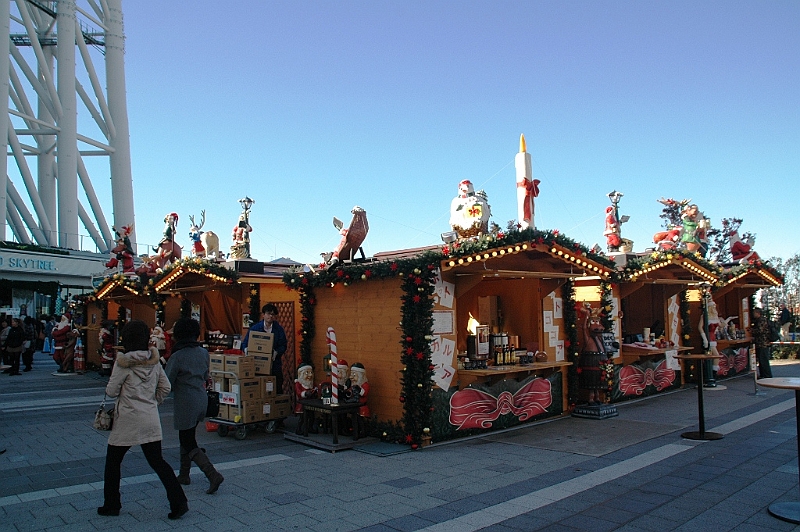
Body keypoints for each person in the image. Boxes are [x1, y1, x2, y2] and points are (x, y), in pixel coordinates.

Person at [98, 320, 188, 519]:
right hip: (149, 417)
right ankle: (179, 501)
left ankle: (112, 504)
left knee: (113, 463)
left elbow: (111, 391)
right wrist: (152, 400)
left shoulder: (123, 363)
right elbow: (166, 387)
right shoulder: (154, 361)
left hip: (127, 419)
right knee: (158, 462)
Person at [165, 317, 224, 494]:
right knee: (188, 435)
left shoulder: (177, 356)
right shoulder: (203, 352)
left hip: (185, 401)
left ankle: (212, 474)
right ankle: (184, 474)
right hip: (201, 398)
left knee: (188, 441)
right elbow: (206, 374)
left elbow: (167, 382)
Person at [241, 303, 287, 394]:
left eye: (273, 314)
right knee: (260, 391)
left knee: (276, 389)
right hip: (258, 366)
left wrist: (276, 352)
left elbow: (283, 345)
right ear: (263, 315)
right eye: (269, 313)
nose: (271, 316)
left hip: (275, 366)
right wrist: (247, 351)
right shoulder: (255, 328)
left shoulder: (279, 329)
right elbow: (244, 344)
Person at [750, 308, 773, 379]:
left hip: (763, 343)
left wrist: (751, 330)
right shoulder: (760, 320)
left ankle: (767, 375)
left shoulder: (762, 320)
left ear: (758, 313)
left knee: (764, 360)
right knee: (761, 360)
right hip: (761, 342)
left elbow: (760, 330)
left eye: (754, 313)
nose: (753, 314)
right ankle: (763, 374)